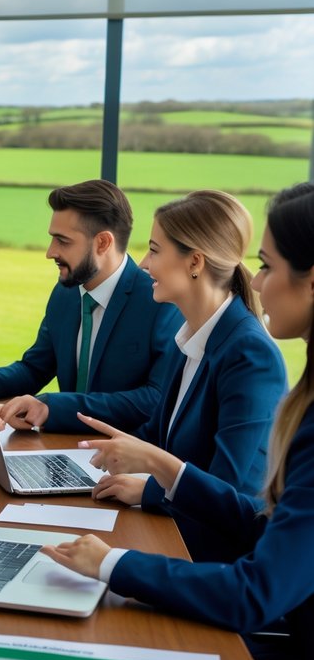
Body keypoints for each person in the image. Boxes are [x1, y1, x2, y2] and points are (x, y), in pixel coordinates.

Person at [44, 183, 314, 660]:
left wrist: (115, 563)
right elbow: (264, 521)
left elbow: (253, 579)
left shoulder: (249, 354)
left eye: (268, 265)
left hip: (280, 648)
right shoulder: (195, 340)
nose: (258, 280)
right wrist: (154, 481)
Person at [74, 189, 288, 563]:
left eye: (155, 250)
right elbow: (155, 438)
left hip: (212, 562)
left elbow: (230, 495)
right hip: (175, 535)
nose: (143, 263)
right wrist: (89, 460)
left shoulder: (249, 355)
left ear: (195, 262)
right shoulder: (190, 337)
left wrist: (149, 488)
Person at [0, 180, 182, 434]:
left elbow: (156, 400)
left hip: (124, 460)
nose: (50, 252)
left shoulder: (159, 302)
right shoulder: (65, 293)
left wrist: (51, 408)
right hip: (61, 449)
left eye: (62, 241)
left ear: (102, 243)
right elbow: (33, 370)